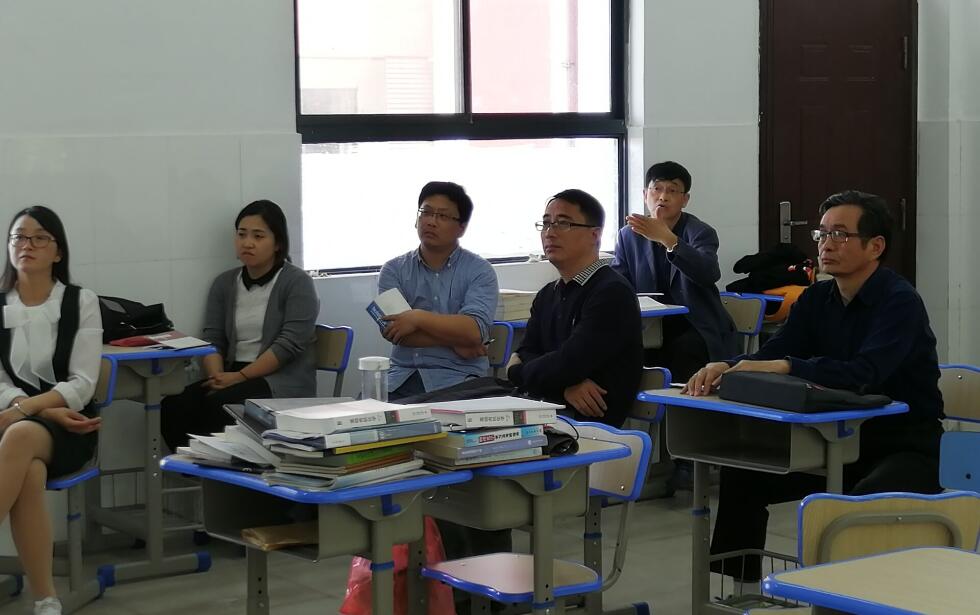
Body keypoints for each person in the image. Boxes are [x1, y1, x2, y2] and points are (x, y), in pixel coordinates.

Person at [685, 190, 944, 581]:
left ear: (875, 246)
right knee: (744, 474)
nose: (826, 244)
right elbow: (775, 351)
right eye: (822, 234)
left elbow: (863, 374)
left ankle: (843, 595)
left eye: (840, 234)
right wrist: (727, 365)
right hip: (830, 440)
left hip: (901, 444)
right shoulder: (817, 297)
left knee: (853, 506)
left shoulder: (899, 301)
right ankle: (739, 591)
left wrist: (787, 367)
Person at [0, 206, 102, 615]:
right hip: (16, 421)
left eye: (39, 237)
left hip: (70, 425)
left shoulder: (81, 301)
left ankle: (46, 597)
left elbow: (83, 383)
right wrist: (27, 410)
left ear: (58, 251)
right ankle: (46, 599)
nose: (27, 245)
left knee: (20, 435)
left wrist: (27, 411)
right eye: (18, 237)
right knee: (28, 470)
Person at [161, 200, 318, 450]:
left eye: (258, 236)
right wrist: (217, 376)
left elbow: (288, 345)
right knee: (174, 404)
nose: (247, 243)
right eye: (241, 234)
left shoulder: (298, 282)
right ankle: (197, 466)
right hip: (231, 373)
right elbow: (213, 338)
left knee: (219, 405)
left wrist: (239, 377)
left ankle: (226, 470)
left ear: (278, 243)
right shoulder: (224, 283)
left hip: (279, 380)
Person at [507, 189, 642, 427]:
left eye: (563, 224)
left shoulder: (611, 292)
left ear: (594, 234)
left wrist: (516, 373)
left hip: (589, 425)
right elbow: (528, 351)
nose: (550, 233)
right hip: (546, 412)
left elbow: (569, 363)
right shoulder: (547, 294)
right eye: (546, 223)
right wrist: (564, 387)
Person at [611, 160, 737, 378]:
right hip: (649, 324)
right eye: (657, 189)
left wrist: (670, 240)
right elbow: (618, 284)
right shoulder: (628, 235)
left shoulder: (700, 232)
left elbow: (709, 273)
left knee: (683, 350)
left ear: (685, 199)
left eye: (672, 190)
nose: (663, 197)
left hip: (693, 324)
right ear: (645, 194)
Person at [378, 181, 497, 400]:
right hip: (400, 377)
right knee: (363, 414)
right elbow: (396, 332)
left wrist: (417, 317)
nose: (431, 221)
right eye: (426, 212)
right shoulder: (393, 270)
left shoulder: (480, 271)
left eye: (442, 216)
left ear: (461, 227)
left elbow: (474, 331)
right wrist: (455, 341)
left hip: (459, 379)